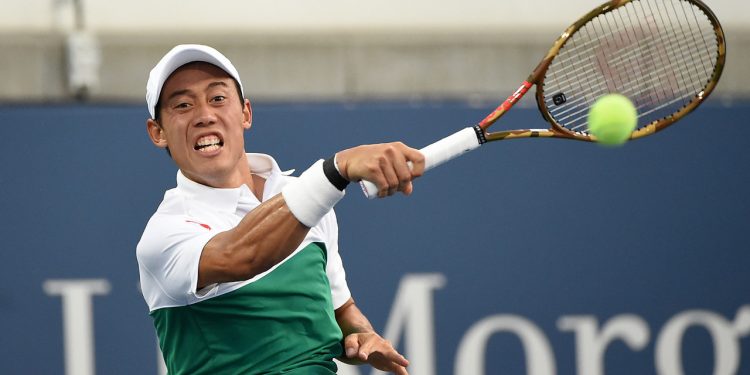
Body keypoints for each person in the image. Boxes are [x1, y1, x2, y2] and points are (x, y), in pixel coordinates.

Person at [136, 44, 424, 375]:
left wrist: (363, 336)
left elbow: (339, 311)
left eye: (218, 98)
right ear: (158, 132)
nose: (204, 115)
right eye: (183, 105)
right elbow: (242, 255)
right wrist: (336, 170)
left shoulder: (304, 198)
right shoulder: (165, 233)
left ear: (245, 113)